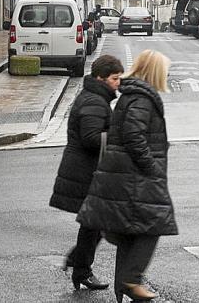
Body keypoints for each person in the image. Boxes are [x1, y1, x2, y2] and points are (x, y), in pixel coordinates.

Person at [77, 50, 177, 303]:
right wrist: (151, 165)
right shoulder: (142, 99)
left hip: (124, 174)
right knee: (152, 226)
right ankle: (131, 280)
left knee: (130, 233)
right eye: (164, 70)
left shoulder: (133, 95)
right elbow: (133, 135)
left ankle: (124, 287)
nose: (167, 74)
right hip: (135, 176)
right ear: (155, 71)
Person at [49, 55, 124, 292]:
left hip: (87, 171)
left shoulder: (95, 97)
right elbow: (91, 138)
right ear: (101, 78)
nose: (118, 83)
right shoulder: (94, 101)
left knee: (95, 223)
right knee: (97, 223)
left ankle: (78, 264)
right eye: (114, 78)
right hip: (86, 173)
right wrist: (119, 137)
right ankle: (80, 267)